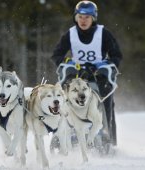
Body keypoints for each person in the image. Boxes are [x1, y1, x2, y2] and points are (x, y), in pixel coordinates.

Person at [51, 0, 122, 147]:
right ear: (76, 18)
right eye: (80, 17)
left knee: (107, 99)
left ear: (93, 18)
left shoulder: (104, 33)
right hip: (76, 76)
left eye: (87, 17)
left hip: (98, 75)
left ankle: (109, 137)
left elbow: (116, 55)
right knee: (62, 97)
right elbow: (56, 55)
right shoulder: (70, 34)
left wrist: (106, 64)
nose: (83, 21)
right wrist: (68, 62)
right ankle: (60, 130)